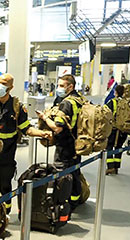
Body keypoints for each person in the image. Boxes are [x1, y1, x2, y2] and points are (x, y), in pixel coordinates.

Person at [0, 73, 52, 213]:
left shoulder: (17, 107)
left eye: (4, 83)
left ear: (11, 87)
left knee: (5, 185)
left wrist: (42, 133)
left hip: (7, 153)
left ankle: (5, 213)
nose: (0, 86)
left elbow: (26, 128)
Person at [36, 74, 84, 208]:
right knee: (75, 172)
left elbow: (57, 128)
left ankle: (65, 203)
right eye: (58, 85)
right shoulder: (79, 99)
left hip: (65, 145)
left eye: (62, 86)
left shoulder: (67, 103)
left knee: (63, 175)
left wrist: (44, 117)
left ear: (71, 86)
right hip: (77, 143)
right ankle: (75, 199)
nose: (59, 88)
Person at [105, 84, 128, 175]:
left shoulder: (112, 102)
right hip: (124, 129)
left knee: (109, 147)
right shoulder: (127, 103)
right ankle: (116, 167)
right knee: (119, 147)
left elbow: (105, 113)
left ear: (116, 92)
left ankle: (110, 167)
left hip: (113, 129)